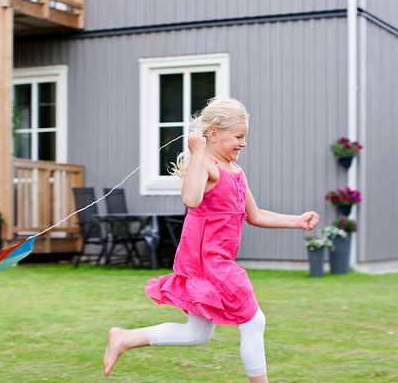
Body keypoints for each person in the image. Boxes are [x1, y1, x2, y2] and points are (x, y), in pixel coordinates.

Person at [103, 97, 320, 382]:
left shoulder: (236, 172)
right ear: (214, 134)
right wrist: (196, 153)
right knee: (254, 320)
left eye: (245, 137)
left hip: (217, 260)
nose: (243, 143)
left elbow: (253, 214)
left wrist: (296, 220)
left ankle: (125, 338)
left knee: (197, 333)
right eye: (238, 137)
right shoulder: (206, 165)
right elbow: (191, 199)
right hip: (207, 262)